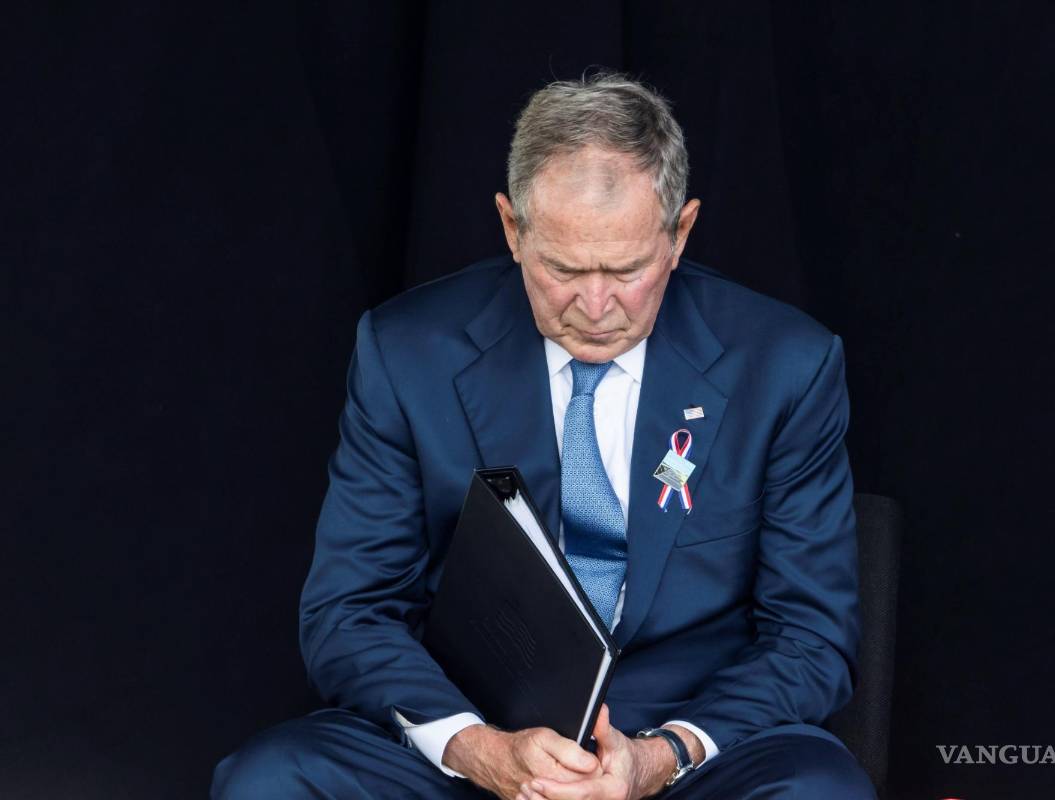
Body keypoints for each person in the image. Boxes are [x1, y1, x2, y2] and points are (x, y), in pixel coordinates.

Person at [212, 72, 875, 800]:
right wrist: (477, 749)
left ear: (680, 233)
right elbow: (348, 613)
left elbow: (812, 639)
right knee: (271, 780)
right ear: (512, 228)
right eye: (563, 268)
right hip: (475, 739)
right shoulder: (408, 353)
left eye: (626, 269)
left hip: (682, 749)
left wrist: (657, 759)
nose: (595, 306)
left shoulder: (784, 366)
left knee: (819, 789)